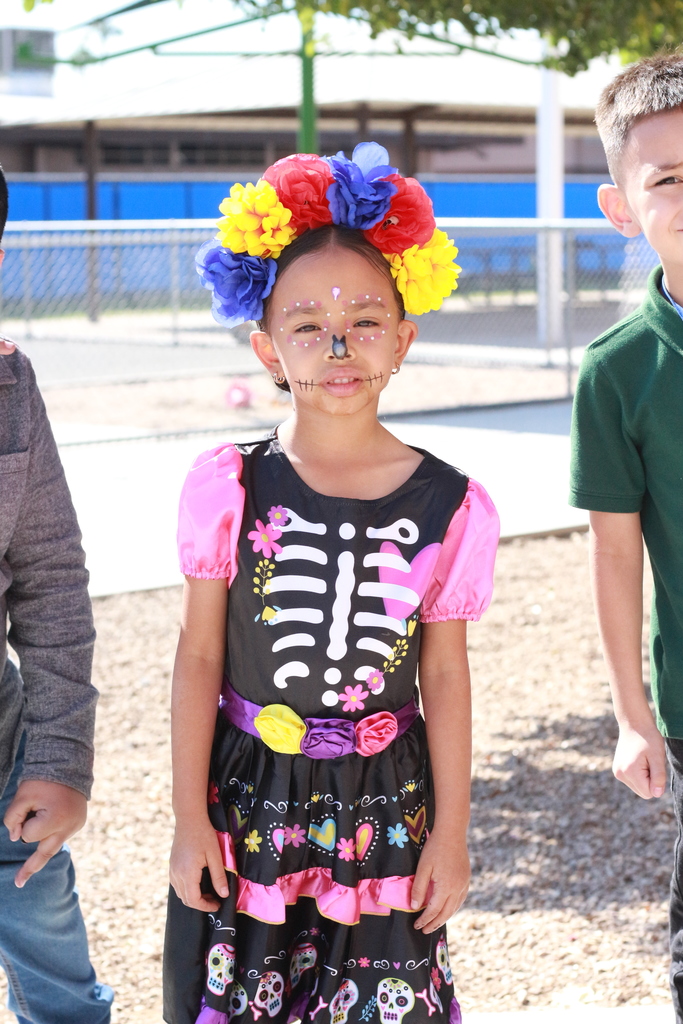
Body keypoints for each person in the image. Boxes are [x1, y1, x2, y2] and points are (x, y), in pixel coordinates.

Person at [163, 144, 500, 1024]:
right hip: (246, 798)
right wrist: (185, 819)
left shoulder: (452, 505)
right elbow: (199, 654)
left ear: (403, 339)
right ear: (266, 346)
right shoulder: (228, 484)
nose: (337, 345)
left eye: (364, 319)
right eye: (305, 324)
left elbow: (447, 675)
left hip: (387, 803)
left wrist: (453, 836)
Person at [569, 53, 683, 1019]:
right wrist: (630, 713)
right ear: (620, 206)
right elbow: (613, 553)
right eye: (667, 178)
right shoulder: (617, 372)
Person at [0, 166, 113, 1023]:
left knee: (54, 969)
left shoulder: (8, 386)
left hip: (3, 743)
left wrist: (59, 759)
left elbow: (51, 585)